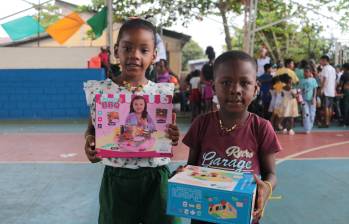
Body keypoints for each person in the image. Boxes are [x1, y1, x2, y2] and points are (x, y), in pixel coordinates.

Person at [83, 18, 179, 224]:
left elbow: (167, 133)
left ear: (153, 56)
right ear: (117, 51)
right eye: (128, 48)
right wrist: (90, 142)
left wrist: (172, 134)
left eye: (143, 50)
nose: (135, 55)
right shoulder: (101, 91)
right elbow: (92, 129)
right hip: (117, 179)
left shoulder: (161, 93)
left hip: (156, 177)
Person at [180, 51, 282, 224]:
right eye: (226, 82)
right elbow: (192, 167)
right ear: (213, 87)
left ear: (255, 88)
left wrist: (266, 187)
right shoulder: (201, 124)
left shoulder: (261, 128)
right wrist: (182, 175)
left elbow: (271, 173)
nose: (235, 90)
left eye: (245, 83)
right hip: (204, 215)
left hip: (243, 215)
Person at [319, 55, 336, 128]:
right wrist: (334, 89)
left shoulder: (325, 68)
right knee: (330, 107)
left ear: (325, 60)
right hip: (331, 90)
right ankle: (328, 122)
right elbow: (335, 81)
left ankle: (326, 122)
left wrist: (321, 89)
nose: (320, 62)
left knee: (326, 107)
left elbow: (324, 79)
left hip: (326, 90)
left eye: (321, 60)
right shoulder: (333, 69)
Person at [299, 66, 318, 133]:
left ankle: (310, 126)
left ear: (310, 73)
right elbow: (300, 90)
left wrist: (314, 98)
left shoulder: (313, 80)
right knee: (306, 113)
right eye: (304, 72)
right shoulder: (301, 81)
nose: (305, 73)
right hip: (304, 100)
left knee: (312, 114)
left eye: (307, 72)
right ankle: (307, 128)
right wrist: (300, 98)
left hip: (312, 99)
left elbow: (315, 89)